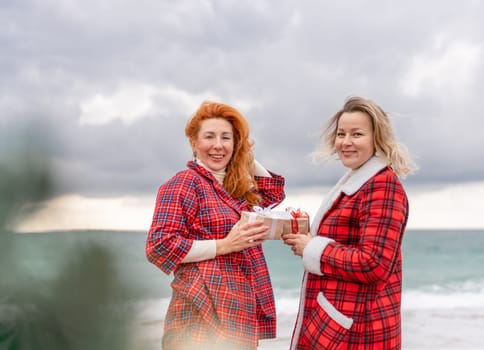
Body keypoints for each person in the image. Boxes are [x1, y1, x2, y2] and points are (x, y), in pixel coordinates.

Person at [146, 101, 285, 349]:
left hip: (239, 312)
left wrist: (244, 156)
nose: (218, 145)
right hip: (199, 312)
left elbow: (272, 193)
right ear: (193, 143)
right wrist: (225, 245)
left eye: (226, 138)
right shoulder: (184, 183)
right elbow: (160, 246)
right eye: (209, 137)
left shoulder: (234, 189)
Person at [282, 96, 416, 349]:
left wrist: (312, 248)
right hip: (339, 321)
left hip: (358, 330)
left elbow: (374, 263)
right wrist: (305, 240)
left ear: (377, 138)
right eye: (341, 134)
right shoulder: (357, 182)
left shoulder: (383, 186)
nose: (345, 142)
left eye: (357, 134)